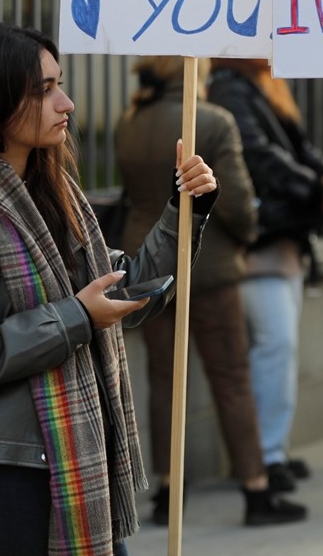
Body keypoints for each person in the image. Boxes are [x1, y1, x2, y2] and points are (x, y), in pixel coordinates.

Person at [0, 22, 219, 556]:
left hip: (66, 458)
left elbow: (116, 291)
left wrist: (184, 212)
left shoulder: (52, 199)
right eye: (43, 89)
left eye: (59, 84)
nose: (65, 102)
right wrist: (77, 317)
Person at [114, 56, 307, 526]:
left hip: (147, 264)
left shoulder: (129, 122)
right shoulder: (214, 121)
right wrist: (246, 234)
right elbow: (238, 201)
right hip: (211, 264)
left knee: (164, 381)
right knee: (231, 377)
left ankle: (165, 490)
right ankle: (256, 490)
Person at [206, 58, 323, 493]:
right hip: (259, 244)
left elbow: (296, 147)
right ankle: (265, 456)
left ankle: (272, 452)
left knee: (276, 350)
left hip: (280, 242)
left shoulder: (259, 86)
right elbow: (257, 154)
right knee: (273, 346)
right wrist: (312, 185)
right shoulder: (230, 87)